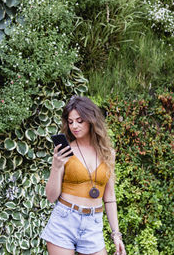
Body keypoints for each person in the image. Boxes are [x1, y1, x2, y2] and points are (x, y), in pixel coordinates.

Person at [41, 96, 126, 255]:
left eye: (80, 121)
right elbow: (51, 197)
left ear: (91, 120)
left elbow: (110, 197)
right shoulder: (65, 153)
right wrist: (56, 166)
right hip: (64, 220)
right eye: (71, 121)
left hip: (93, 223)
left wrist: (116, 234)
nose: (74, 126)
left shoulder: (108, 154)